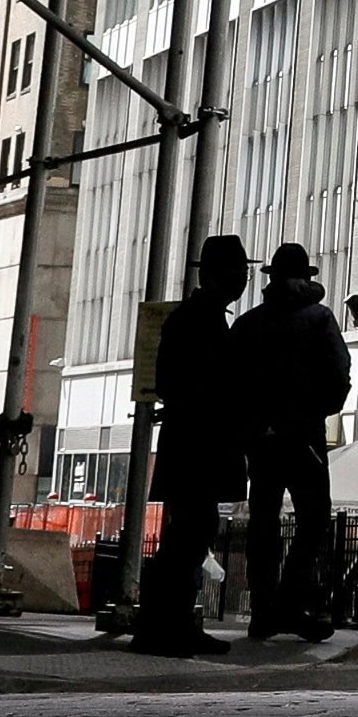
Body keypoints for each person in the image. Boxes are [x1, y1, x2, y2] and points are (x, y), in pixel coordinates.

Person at [132, 232, 251, 657]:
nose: (244, 278)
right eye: (239, 270)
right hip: (198, 444)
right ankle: (164, 626)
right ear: (220, 274)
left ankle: (172, 623)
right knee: (187, 536)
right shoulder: (198, 320)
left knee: (189, 535)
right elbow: (189, 384)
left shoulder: (201, 316)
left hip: (194, 443)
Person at [230, 240, 351, 641]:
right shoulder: (319, 319)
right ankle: (290, 599)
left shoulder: (247, 324)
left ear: (271, 279)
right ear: (307, 278)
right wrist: (315, 412)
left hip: (261, 440)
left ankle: (264, 607)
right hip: (305, 437)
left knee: (262, 521)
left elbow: (232, 385)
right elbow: (339, 375)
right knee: (314, 519)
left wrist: (254, 426)